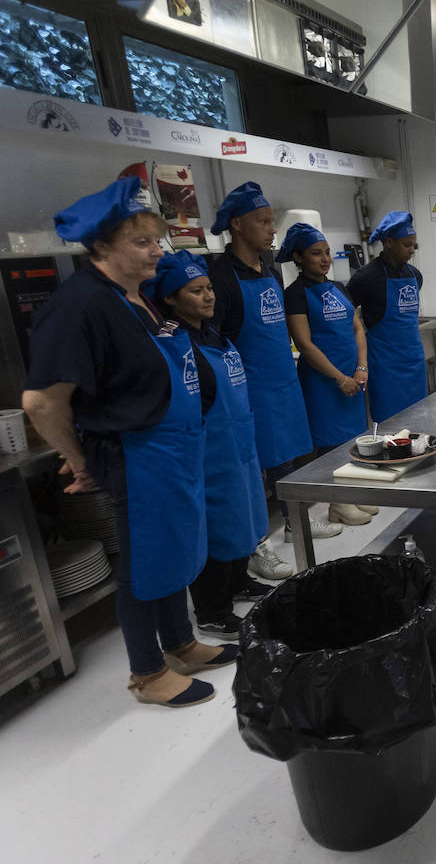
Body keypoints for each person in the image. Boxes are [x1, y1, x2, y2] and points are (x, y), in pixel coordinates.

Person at [23, 177, 237, 707]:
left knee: (171, 554)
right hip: (136, 457)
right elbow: (42, 402)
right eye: (141, 242)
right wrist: (78, 460)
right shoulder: (81, 304)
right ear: (101, 246)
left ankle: (181, 644)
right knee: (144, 564)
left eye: (157, 240)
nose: (156, 252)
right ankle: (147, 673)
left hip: (170, 452)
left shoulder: (133, 299)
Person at [145, 251, 273, 641]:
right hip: (208, 451)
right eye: (195, 291)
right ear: (170, 298)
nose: (208, 297)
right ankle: (212, 611)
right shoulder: (171, 343)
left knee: (243, 517)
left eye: (210, 289)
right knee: (214, 528)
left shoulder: (214, 333)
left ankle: (237, 583)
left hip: (238, 444)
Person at [207, 182, 340, 553]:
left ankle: (294, 523)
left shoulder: (267, 268)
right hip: (251, 382)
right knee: (258, 464)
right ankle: (259, 542)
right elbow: (214, 341)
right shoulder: (221, 276)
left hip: (282, 374)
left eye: (272, 222)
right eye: (263, 221)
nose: (271, 229)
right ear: (237, 224)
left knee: (289, 455)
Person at [280, 222, 378, 528]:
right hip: (324, 383)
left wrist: (361, 367)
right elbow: (304, 344)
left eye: (326, 253)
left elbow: (357, 327)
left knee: (350, 440)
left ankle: (348, 495)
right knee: (330, 445)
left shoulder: (338, 287)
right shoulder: (295, 294)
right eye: (315, 254)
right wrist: (339, 377)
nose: (324, 259)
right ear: (298, 257)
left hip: (352, 377)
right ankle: (337, 502)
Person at [348, 210, 426, 422]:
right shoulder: (365, 278)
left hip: (414, 363)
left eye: (413, 245)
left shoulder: (414, 275)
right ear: (389, 242)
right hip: (385, 368)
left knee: (421, 422)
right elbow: (347, 313)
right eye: (406, 245)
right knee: (390, 428)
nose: (412, 250)